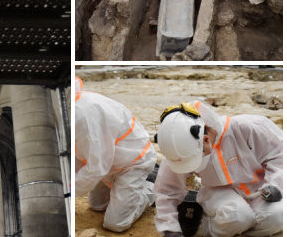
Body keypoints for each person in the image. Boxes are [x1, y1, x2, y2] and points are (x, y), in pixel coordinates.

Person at [154, 101, 283, 237]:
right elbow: (167, 191)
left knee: (277, 217)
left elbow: (280, 155)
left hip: (261, 189)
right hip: (217, 193)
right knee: (236, 216)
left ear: (205, 140)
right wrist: (170, 229)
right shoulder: (178, 148)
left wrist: (276, 185)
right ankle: (206, 228)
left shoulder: (249, 128)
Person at [75, 76, 156, 232]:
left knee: (116, 223)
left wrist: (72, 190)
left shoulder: (83, 115)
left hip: (134, 161)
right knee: (97, 205)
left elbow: (97, 168)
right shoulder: (76, 110)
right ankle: (123, 192)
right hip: (111, 160)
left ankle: (151, 188)